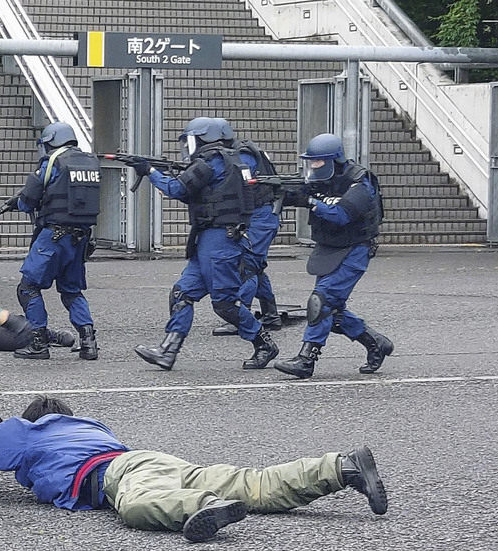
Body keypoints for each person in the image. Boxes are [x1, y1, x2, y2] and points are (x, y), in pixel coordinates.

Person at [0, 395, 388, 543]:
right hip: (156, 460)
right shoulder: (90, 427)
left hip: (120, 476)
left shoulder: (34, 430)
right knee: (251, 482)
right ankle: (340, 467)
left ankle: (201, 508)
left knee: (135, 506)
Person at [129, 117, 277, 371]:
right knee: (182, 293)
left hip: (221, 240)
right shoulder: (233, 158)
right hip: (210, 238)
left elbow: (178, 189)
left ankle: (264, 343)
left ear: (204, 138)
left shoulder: (213, 161)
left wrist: (150, 172)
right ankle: (168, 350)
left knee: (225, 303)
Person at [274, 133, 393, 379]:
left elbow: (342, 215)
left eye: (318, 162)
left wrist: (308, 201)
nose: (313, 167)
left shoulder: (360, 182)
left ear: (334, 160)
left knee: (321, 302)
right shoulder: (319, 180)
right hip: (328, 248)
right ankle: (375, 343)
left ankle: (306, 360)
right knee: (333, 311)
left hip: (355, 249)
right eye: (311, 162)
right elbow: (302, 191)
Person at [3, 121, 102, 361]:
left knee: (28, 287)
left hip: (53, 237)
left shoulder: (52, 163)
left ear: (53, 141)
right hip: (80, 239)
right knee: (71, 290)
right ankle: (88, 342)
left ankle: (38, 343)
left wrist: (18, 201)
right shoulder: (90, 161)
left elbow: (28, 202)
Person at [210, 118, 284, 336]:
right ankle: (271, 315)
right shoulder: (242, 151)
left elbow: (236, 183)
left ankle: (240, 316)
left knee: (247, 266)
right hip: (262, 215)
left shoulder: (242, 155)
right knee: (256, 266)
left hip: (261, 216)